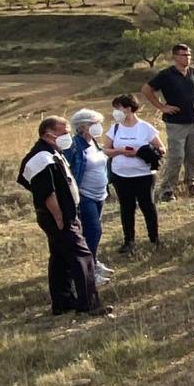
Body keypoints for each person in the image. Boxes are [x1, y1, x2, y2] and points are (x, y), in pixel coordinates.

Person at [18, 116, 110, 317]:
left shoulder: (52, 152)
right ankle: (89, 304)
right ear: (49, 135)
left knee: (60, 258)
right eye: (64, 132)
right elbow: (46, 192)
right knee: (83, 256)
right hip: (59, 216)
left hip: (63, 214)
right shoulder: (41, 158)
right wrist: (59, 217)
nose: (68, 135)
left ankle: (63, 302)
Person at [141, 43, 194, 202]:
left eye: (188, 55)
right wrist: (161, 107)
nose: (187, 58)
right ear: (174, 57)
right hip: (175, 123)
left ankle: (191, 184)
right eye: (183, 55)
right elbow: (146, 89)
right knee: (176, 156)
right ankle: (167, 189)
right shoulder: (166, 75)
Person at [104, 93, 164, 255]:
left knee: (148, 206)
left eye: (118, 108)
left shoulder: (145, 127)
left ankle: (154, 238)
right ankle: (128, 241)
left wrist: (140, 152)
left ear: (129, 108)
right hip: (120, 175)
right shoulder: (115, 128)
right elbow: (106, 150)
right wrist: (120, 151)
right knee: (126, 207)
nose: (116, 111)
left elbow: (161, 148)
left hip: (144, 175)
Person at [64, 108, 112, 285]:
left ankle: (93, 261)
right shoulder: (74, 145)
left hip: (100, 194)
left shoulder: (95, 143)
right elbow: (67, 170)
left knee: (93, 232)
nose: (98, 127)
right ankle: (88, 272)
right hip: (85, 196)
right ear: (82, 127)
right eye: (93, 124)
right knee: (93, 231)